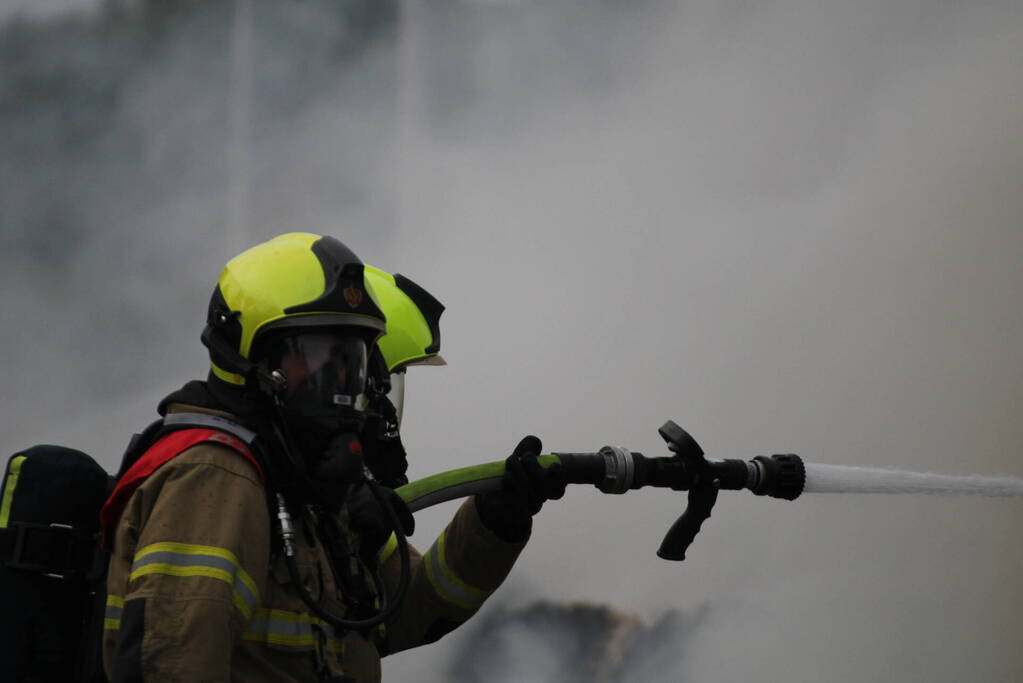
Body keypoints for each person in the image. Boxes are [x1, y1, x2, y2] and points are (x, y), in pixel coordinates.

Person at [100, 232, 566, 682]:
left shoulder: (305, 488)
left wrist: (493, 524)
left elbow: (405, 611)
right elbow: (172, 665)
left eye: (349, 360)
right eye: (317, 356)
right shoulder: (216, 477)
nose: (339, 382)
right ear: (256, 359)